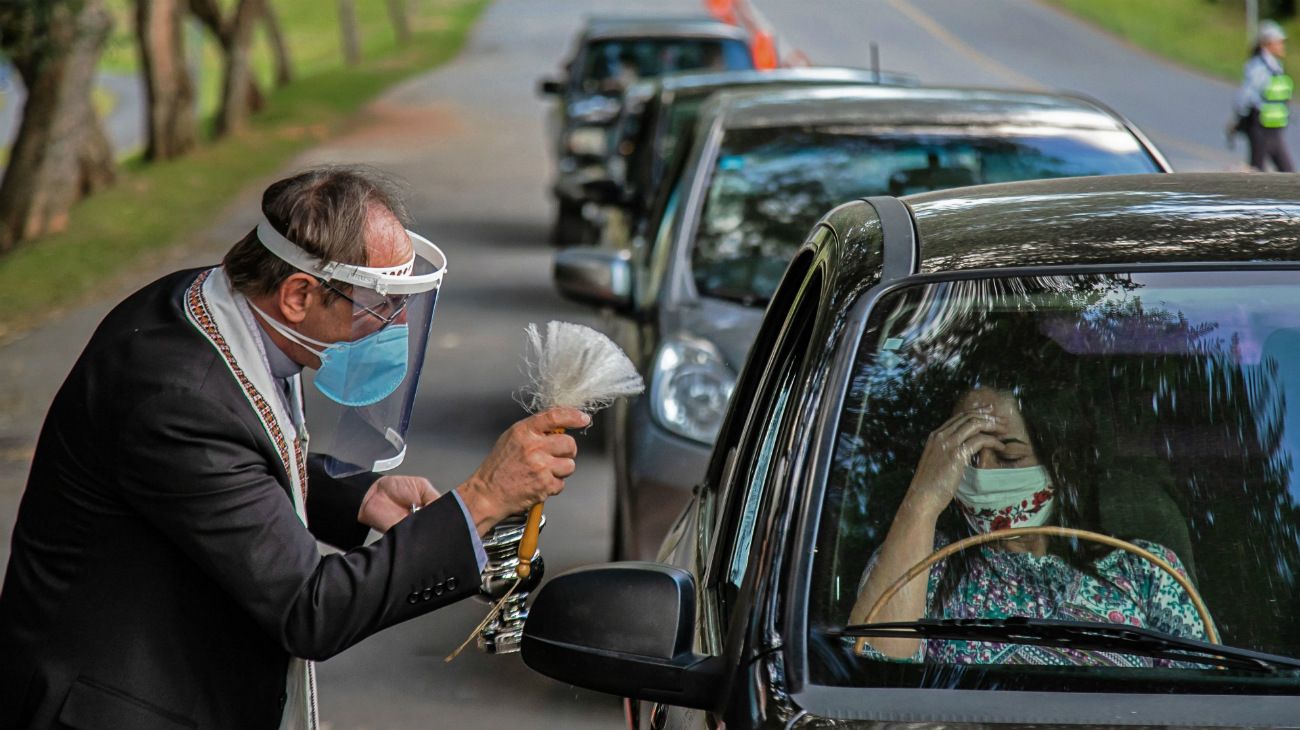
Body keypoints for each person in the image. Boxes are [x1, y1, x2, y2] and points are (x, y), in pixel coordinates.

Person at [0, 166, 589, 730]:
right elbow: (310, 609)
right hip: (113, 709)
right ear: (299, 295)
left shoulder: (216, 308)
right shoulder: (175, 396)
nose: (394, 322)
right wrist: (484, 498)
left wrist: (356, 497)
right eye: (379, 302)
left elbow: (237, 457)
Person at [848, 386, 1210, 666]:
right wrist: (923, 501)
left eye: (1008, 457)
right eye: (967, 458)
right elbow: (869, 680)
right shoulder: (923, 564)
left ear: (1058, 464)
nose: (984, 473)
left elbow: (1210, 702)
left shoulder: (1144, 569)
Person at [1233, 20, 1295, 172]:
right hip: (1260, 126)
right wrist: (1241, 118)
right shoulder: (1259, 67)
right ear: (1267, 44)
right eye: (1278, 42)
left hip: (1274, 127)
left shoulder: (1275, 66)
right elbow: (1246, 96)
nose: (1282, 46)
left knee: (1286, 171)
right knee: (1258, 171)